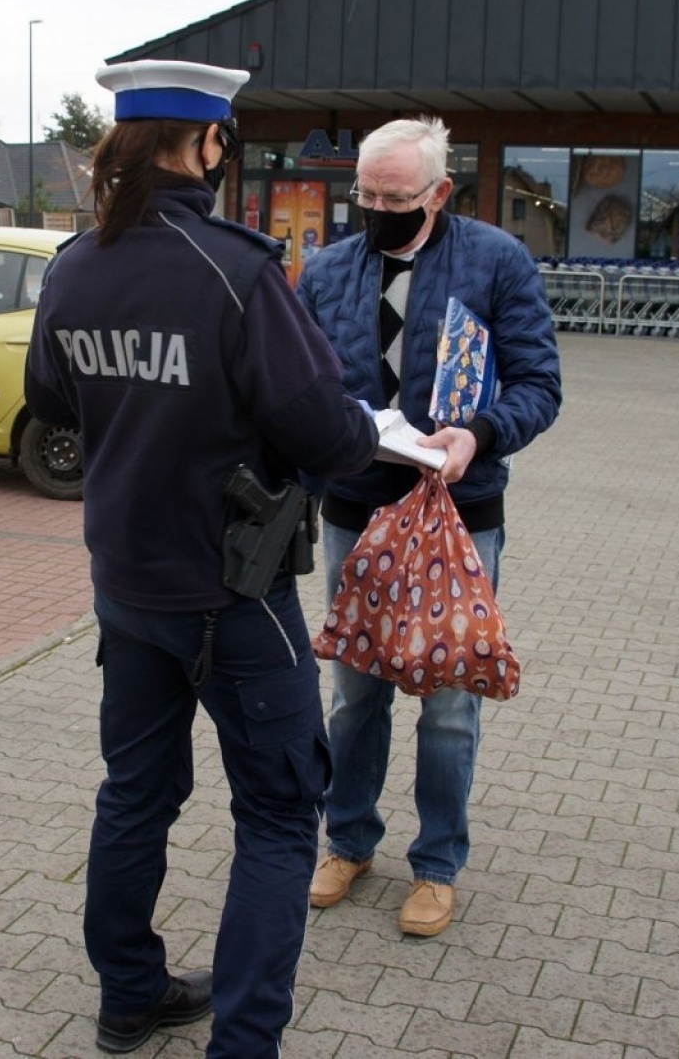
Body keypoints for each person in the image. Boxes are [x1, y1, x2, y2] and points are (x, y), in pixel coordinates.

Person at [23, 59, 378, 1057]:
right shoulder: (236, 268)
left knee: (135, 793)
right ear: (207, 143)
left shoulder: (75, 265)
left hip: (127, 586)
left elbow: (49, 401)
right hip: (235, 591)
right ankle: (245, 1042)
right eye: (225, 138)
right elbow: (326, 431)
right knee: (280, 813)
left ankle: (129, 996)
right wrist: (369, 435)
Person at [296, 116, 562, 937]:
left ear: (440, 192)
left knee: (447, 700)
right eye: (366, 196)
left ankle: (438, 864)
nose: (377, 210)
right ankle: (348, 840)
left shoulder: (496, 262)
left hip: (458, 513)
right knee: (356, 693)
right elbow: (299, 385)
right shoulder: (328, 270)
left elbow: (539, 383)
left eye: (396, 198)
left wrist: (478, 434)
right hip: (356, 508)